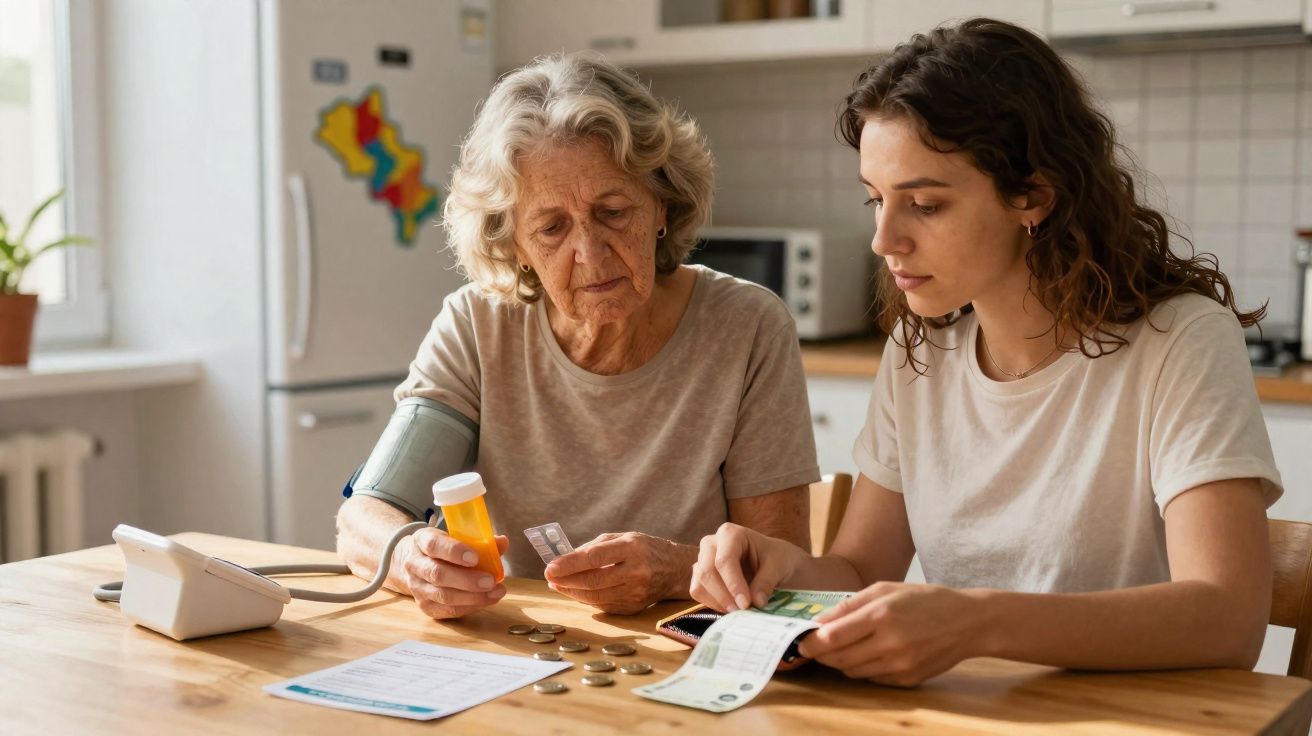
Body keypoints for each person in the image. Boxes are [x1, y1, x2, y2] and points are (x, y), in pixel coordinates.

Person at [691, 18, 1283, 686]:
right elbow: (857, 574)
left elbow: (1228, 619)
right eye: (876, 201)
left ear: (1032, 196)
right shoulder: (921, 354)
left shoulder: (1181, 343)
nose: (884, 240)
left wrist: (977, 622)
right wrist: (777, 564)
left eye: (924, 205)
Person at [335, 52, 818, 620]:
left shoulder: (748, 327)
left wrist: (675, 572)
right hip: (523, 645)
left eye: (613, 211)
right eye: (551, 227)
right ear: (513, 241)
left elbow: (784, 568)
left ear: (661, 204)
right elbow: (365, 517)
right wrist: (414, 560)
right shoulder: (477, 325)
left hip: (686, 644)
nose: (589, 254)